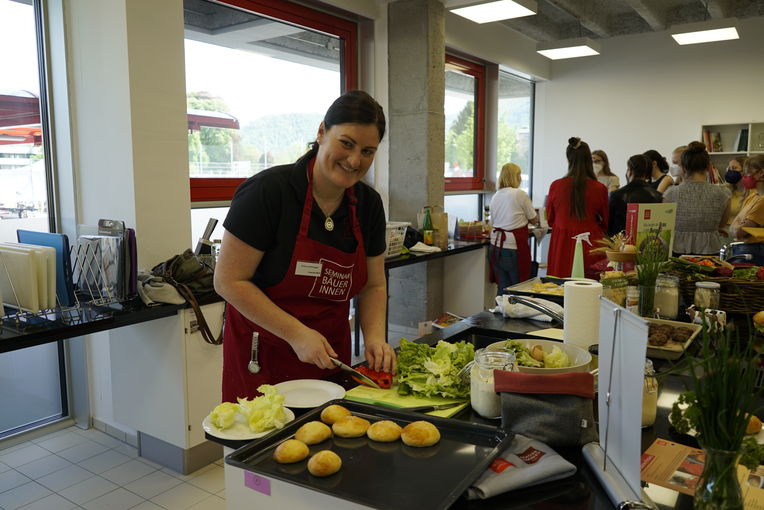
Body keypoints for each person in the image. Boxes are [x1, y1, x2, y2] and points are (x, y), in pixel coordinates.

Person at [214, 90, 396, 402]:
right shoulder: (268, 193)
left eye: (367, 151)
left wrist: (375, 338)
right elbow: (228, 281)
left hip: (329, 356)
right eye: (346, 143)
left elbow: (374, 285)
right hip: (264, 355)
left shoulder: (368, 205)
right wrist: (296, 333)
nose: (354, 161)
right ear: (322, 132)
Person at [546, 137, 608, 278]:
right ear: (589, 160)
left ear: (568, 159)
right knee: (590, 288)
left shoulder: (556, 186)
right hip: (590, 241)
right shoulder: (600, 188)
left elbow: (550, 219)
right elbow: (605, 222)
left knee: (559, 287)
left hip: (561, 242)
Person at [663, 141, 731, 256]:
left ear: (683, 167)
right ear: (709, 166)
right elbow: (721, 224)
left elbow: (665, 224)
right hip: (710, 250)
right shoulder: (723, 193)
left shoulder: (670, 193)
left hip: (677, 250)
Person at [489, 163, 538, 294]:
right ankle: (517, 313)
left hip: (495, 246)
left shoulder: (496, 195)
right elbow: (534, 219)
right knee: (519, 287)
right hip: (513, 247)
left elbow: (493, 221)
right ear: (516, 177)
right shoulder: (519, 194)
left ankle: (501, 312)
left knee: (502, 288)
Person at [607, 154, 662, 236]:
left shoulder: (616, 195)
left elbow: (609, 224)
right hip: (648, 243)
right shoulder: (657, 196)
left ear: (630, 171)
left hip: (621, 245)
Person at [730, 154, 764, 241]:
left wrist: (739, 224)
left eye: (747, 173)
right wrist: (738, 225)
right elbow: (732, 229)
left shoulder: (762, 201)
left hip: (753, 250)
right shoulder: (752, 196)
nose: (744, 178)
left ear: (761, 173)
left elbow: (738, 232)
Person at [722, 155, 749, 241]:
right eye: (729, 169)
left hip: (742, 235)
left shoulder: (753, 193)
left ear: (745, 171)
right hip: (724, 233)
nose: (730, 171)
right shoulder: (724, 189)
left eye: (734, 168)